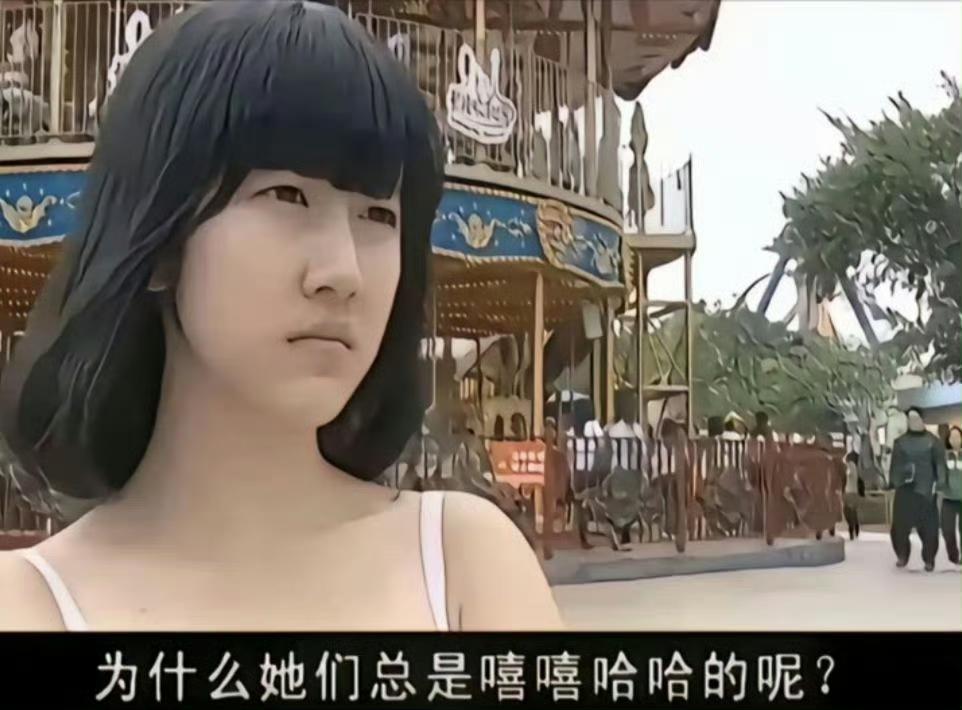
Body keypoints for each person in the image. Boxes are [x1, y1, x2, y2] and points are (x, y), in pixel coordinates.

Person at [0, 2, 561, 631]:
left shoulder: (462, 563)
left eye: (378, 215)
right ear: (159, 241)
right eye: (287, 196)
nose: (344, 272)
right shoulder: (30, 604)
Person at [888, 407, 945, 572]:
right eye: (910, 418)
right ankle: (902, 555)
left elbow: (940, 465)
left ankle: (929, 559)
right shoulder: (900, 442)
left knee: (930, 530)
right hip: (905, 490)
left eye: (916, 418)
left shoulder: (934, 442)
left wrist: (940, 483)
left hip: (926, 491)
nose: (913, 421)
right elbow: (894, 466)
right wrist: (895, 480)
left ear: (922, 420)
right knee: (899, 528)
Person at [939, 426, 962, 565]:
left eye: (957, 436)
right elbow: (940, 473)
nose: (955, 439)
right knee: (947, 530)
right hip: (948, 499)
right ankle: (953, 556)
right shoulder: (944, 456)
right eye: (952, 437)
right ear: (948, 439)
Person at [842, 451, 864, 540]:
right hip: (855, 492)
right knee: (853, 512)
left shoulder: (850, 465)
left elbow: (847, 473)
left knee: (847, 512)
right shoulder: (857, 467)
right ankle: (855, 525)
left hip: (849, 492)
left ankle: (852, 527)